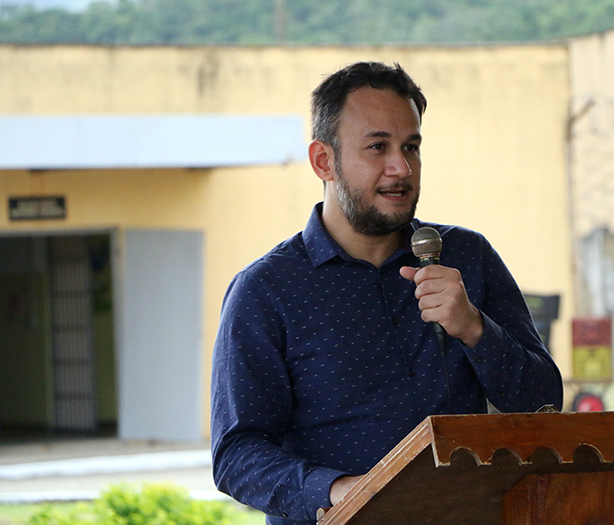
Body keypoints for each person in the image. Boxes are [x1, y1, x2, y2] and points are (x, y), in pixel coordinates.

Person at [210, 61, 563, 525]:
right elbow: (237, 455)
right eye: (378, 147)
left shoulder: (466, 257)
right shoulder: (266, 291)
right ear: (324, 161)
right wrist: (338, 491)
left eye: (411, 147)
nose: (401, 167)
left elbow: (543, 402)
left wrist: (474, 328)